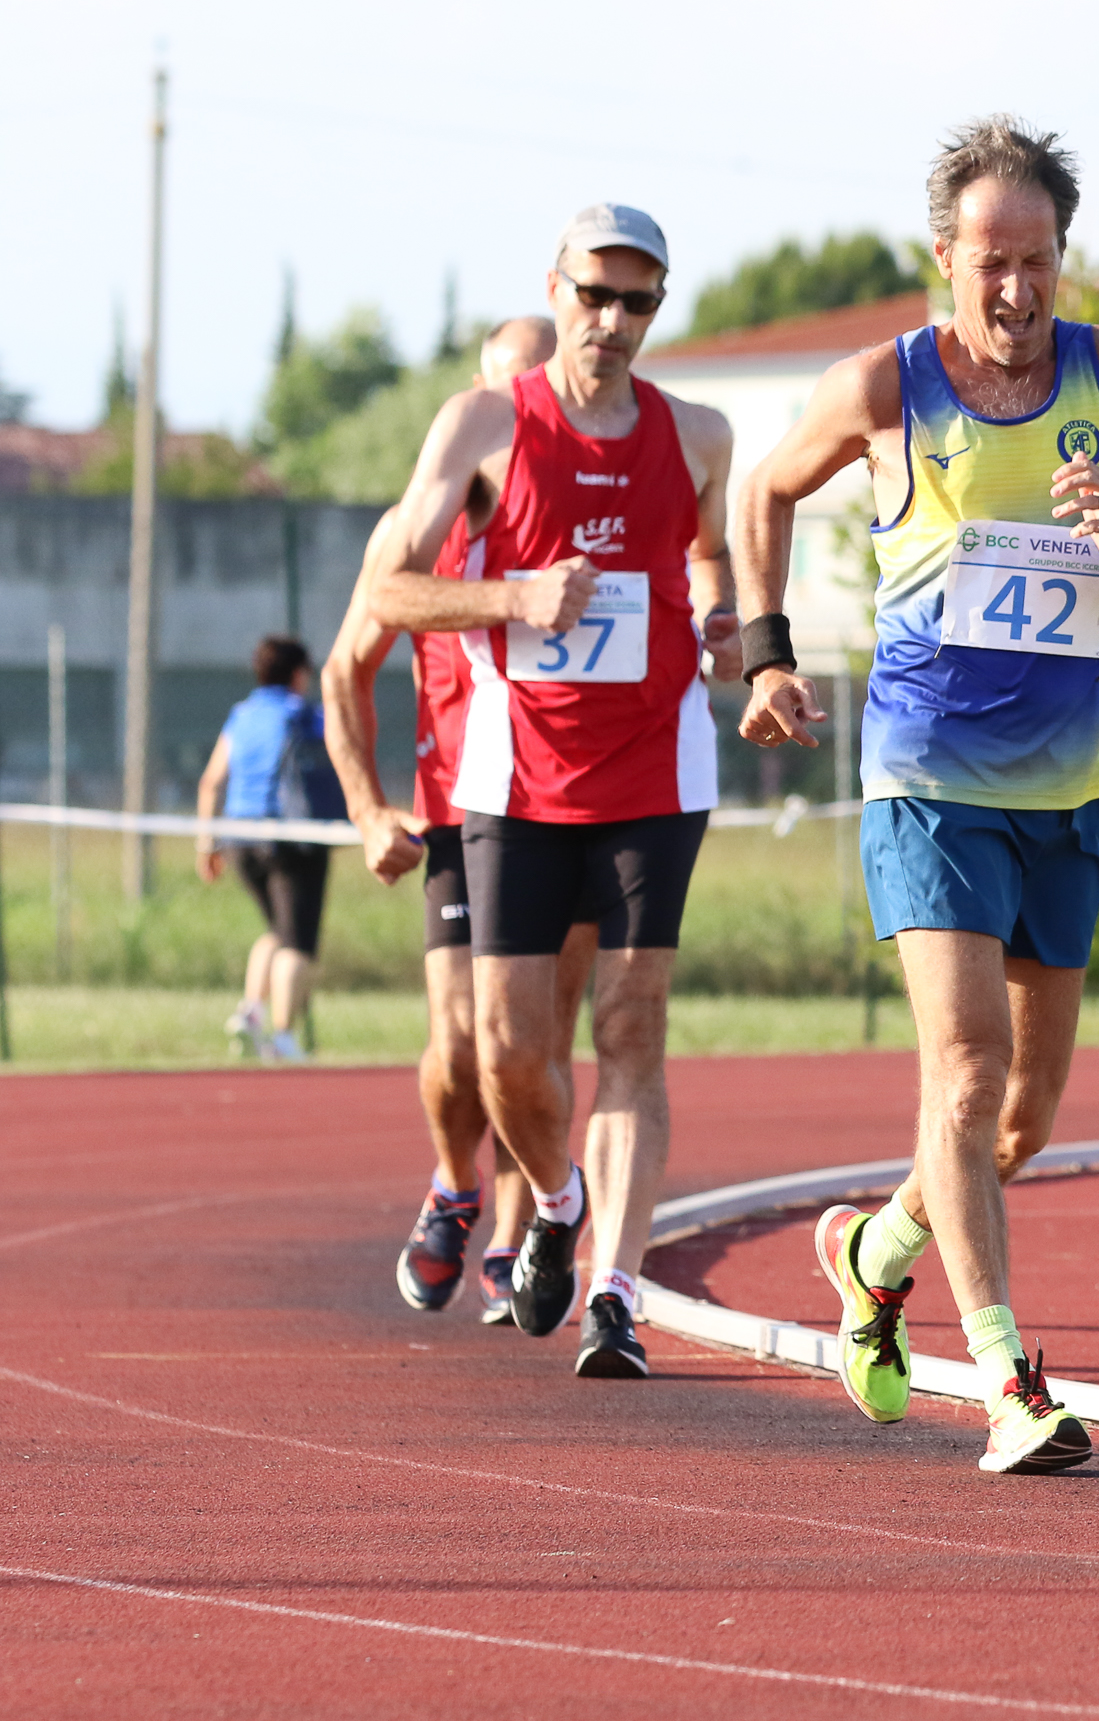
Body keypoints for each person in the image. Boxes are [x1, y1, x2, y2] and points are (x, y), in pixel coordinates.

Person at [736, 117, 1099, 1475]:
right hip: (928, 776)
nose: (1016, 290)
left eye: (1039, 261)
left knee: (1020, 1119)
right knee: (963, 1074)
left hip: (1070, 788)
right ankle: (1011, 1382)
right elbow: (761, 492)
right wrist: (768, 653)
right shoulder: (884, 386)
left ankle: (874, 1251)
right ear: (944, 259)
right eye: (991, 262)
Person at [371, 202, 741, 1379]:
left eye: (638, 301)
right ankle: (557, 1195)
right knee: (506, 1054)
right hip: (513, 772)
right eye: (595, 295)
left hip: (656, 764)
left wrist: (729, 626)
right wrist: (514, 597)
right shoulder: (484, 422)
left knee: (631, 1026)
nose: (613, 320)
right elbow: (388, 593)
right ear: (557, 288)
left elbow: (711, 556)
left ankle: (615, 1296)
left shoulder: (700, 435)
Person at [322, 315, 600, 1324]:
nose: (516, 417)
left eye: (536, 393)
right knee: (457, 1046)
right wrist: (366, 810)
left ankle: (525, 1231)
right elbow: (343, 672)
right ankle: (454, 1185)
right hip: (457, 807)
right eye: (500, 395)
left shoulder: (597, 522)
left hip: (574, 802)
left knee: (534, 1045)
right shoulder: (417, 531)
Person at [197, 635, 349, 1065]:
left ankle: (251, 1012)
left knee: (278, 931)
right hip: (290, 839)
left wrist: (207, 843)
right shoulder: (302, 715)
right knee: (297, 944)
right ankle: (282, 1037)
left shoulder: (241, 715)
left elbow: (211, 782)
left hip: (239, 839)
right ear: (299, 675)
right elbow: (344, 752)